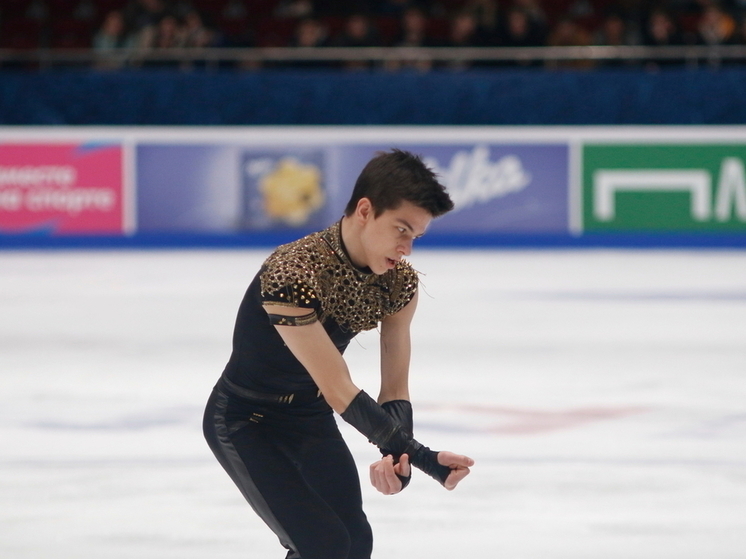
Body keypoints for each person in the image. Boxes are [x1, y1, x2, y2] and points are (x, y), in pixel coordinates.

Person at [203, 149, 474, 559]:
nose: (407, 249)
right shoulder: (292, 274)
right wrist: (421, 457)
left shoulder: (398, 284)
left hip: (308, 418)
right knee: (324, 543)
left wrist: (396, 456)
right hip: (246, 421)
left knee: (354, 543)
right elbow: (338, 388)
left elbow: (394, 388)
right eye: (401, 230)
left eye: (415, 237)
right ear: (365, 210)